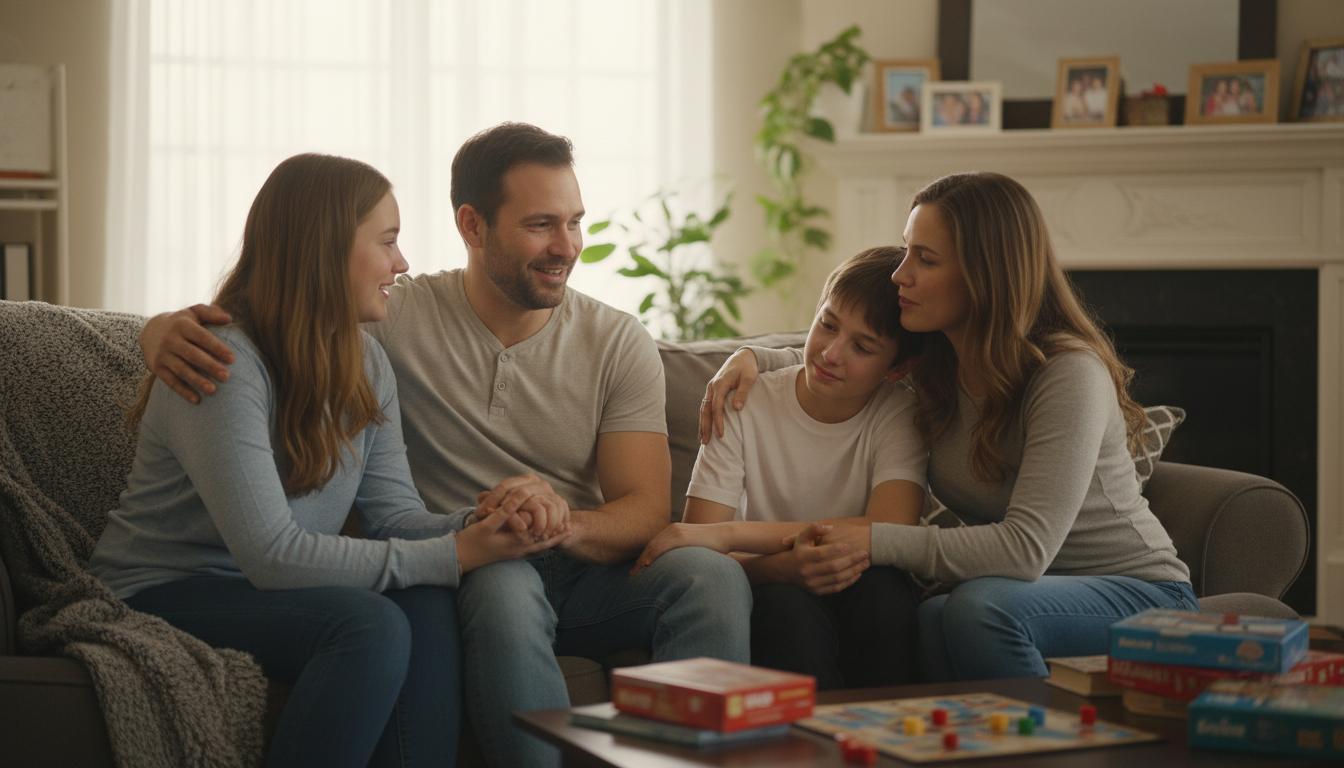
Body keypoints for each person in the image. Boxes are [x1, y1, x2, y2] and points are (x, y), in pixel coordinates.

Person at [137, 123, 752, 768]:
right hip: (472, 566)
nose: (567, 246)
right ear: (472, 225)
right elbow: (264, 318)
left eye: (575, 222)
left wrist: (528, 519)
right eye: (542, 224)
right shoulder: (388, 320)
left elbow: (644, 508)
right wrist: (155, 330)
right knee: (462, 593)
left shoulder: (606, 340)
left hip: (556, 555)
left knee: (709, 574)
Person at [90, 153, 554, 768]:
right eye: (387, 241)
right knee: (368, 624)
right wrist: (455, 553)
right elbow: (272, 556)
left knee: (425, 600)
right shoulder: (222, 362)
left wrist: (483, 522)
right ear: (325, 248)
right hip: (162, 590)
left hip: (267, 592)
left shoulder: (367, 362)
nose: (402, 263)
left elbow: (395, 516)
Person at [700, 171, 1199, 682]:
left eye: (926, 259)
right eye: (905, 250)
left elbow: (1025, 549)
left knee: (977, 609)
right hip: (1025, 592)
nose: (900, 274)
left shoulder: (1067, 373)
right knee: (935, 616)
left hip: (1139, 592)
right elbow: (850, 359)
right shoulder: (938, 362)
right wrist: (751, 357)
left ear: (985, 277)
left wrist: (870, 541)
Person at [632, 246, 928, 690]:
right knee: (786, 609)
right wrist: (780, 567)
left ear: (897, 367)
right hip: (768, 583)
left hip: (862, 580)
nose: (830, 353)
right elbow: (699, 546)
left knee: (882, 590)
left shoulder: (898, 412)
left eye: (862, 347)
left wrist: (734, 533)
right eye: (827, 325)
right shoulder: (742, 400)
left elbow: (889, 528)